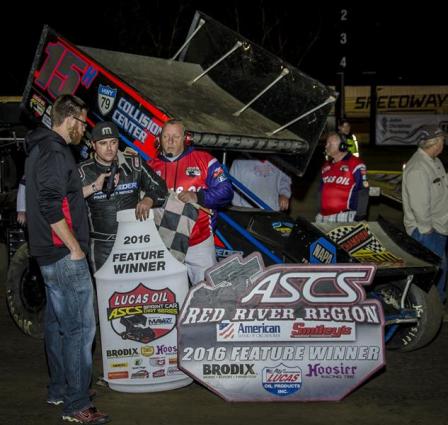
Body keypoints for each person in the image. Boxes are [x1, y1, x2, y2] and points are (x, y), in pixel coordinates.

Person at [24, 94, 110, 424]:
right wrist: (74, 247)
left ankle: (61, 387)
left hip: (50, 254)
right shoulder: (54, 151)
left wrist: (89, 188)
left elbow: (60, 196)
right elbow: (49, 206)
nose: (84, 131)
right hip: (62, 255)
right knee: (81, 329)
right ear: (70, 119)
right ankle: (76, 404)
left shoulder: (43, 149)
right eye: (82, 123)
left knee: (59, 324)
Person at [148, 119, 233, 284]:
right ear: (159, 139)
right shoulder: (149, 167)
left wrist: (198, 197)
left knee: (207, 294)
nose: (170, 141)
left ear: (185, 139)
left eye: (176, 137)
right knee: (167, 297)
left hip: (199, 243)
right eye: (166, 137)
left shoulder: (204, 160)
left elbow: (227, 191)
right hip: (163, 245)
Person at [78, 121, 168, 272]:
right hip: (101, 246)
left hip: (133, 242)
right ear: (93, 145)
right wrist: (93, 187)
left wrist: (149, 199)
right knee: (104, 293)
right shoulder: (82, 171)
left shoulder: (135, 164)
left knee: (134, 291)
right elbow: (65, 202)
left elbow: (161, 187)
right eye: (103, 143)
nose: (109, 148)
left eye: (113, 142)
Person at [402, 125, 448, 303]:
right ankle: (429, 307)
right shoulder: (419, 168)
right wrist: (427, 229)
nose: (444, 143)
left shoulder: (434, 161)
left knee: (439, 269)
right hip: (427, 231)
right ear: (436, 144)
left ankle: (435, 303)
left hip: (438, 226)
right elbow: (419, 206)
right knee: (434, 270)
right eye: (442, 140)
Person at [316, 131, 369, 223]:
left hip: (344, 217)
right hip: (323, 216)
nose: (326, 146)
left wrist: (360, 215)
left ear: (342, 146)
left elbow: (363, 191)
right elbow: (321, 190)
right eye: (326, 143)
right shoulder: (326, 166)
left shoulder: (356, 164)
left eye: (330, 144)